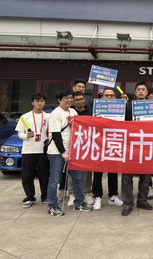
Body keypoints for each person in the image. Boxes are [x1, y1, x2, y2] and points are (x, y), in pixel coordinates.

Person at [46, 89, 92, 217]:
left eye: (70, 97)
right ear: (59, 100)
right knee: (54, 180)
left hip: (72, 152)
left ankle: (79, 203)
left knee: (78, 178)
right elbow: (55, 135)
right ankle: (52, 206)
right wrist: (63, 152)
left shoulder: (73, 111)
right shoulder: (55, 114)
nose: (69, 100)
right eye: (66, 98)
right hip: (57, 152)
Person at [121, 82, 153, 216]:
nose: (141, 91)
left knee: (145, 176)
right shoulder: (128, 107)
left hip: (147, 145)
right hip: (130, 145)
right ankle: (128, 203)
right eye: (138, 89)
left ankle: (142, 200)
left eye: (143, 90)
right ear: (135, 93)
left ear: (147, 93)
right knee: (127, 176)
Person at [16, 92, 50, 208]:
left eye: (42, 101)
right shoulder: (25, 117)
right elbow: (19, 133)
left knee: (44, 175)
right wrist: (26, 136)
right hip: (29, 150)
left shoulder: (48, 117)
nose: (39, 103)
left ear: (44, 103)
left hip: (43, 150)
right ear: (32, 102)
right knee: (27, 175)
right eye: (37, 101)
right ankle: (29, 197)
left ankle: (45, 196)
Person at [92, 87, 124, 210]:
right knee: (98, 171)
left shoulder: (120, 108)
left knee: (113, 170)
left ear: (115, 97)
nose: (109, 98)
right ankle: (97, 197)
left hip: (114, 142)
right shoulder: (97, 108)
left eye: (111, 95)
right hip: (99, 143)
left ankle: (113, 196)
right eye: (107, 95)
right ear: (102, 97)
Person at [64, 91, 95, 207]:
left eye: (82, 99)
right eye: (77, 99)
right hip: (73, 145)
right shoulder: (70, 112)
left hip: (87, 144)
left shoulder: (90, 111)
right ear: (73, 101)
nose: (80, 101)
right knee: (73, 170)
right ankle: (72, 194)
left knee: (87, 170)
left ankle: (87, 193)